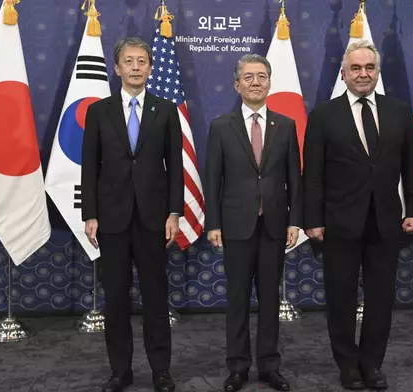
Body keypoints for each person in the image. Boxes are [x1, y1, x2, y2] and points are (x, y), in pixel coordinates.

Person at [302, 40, 413, 390]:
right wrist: (313, 219)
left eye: (369, 68)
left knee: (380, 299)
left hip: (386, 222)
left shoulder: (400, 112)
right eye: (355, 68)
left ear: (377, 72)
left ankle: (372, 364)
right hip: (339, 223)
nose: (363, 74)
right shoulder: (323, 116)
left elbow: (412, 167)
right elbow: (312, 175)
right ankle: (347, 365)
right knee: (340, 299)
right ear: (344, 74)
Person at [81, 37, 183, 392]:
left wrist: (174, 211)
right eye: (129, 61)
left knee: (156, 298)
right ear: (117, 68)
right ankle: (120, 371)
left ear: (150, 68)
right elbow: (89, 166)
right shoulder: (98, 111)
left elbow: (176, 166)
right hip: (111, 218)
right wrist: (90, 213)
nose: (136, 66)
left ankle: (161, 371)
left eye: (142, 61)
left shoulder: (166, 110)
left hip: (155, 218)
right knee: (117, 298)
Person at [204, 53, 302, 392]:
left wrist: (295, 221)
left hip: (275, 224)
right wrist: (213, 223)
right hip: (235, 225)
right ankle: (238, 367)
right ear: (237, 84)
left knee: (271, 300)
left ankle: (270, 367)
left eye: (261, 76)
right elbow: (212, 178)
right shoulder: (220, 126)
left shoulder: (286, 125)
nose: (256, 82)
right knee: (237, 298)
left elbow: (295, 179)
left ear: (270, 83)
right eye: (248, 77)